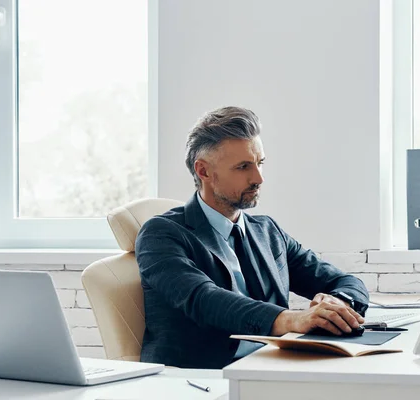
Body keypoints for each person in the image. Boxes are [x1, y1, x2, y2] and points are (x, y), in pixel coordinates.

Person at [135, 106, 369, 368]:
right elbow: (204, 299)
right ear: (204, 172)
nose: (259, 178)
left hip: (271, 368)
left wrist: (338, 302)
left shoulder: (267, 231)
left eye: (260, 163)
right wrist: (291, 319)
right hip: (202, 380)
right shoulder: (160, 235)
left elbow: (342, 280)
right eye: (243, 166)